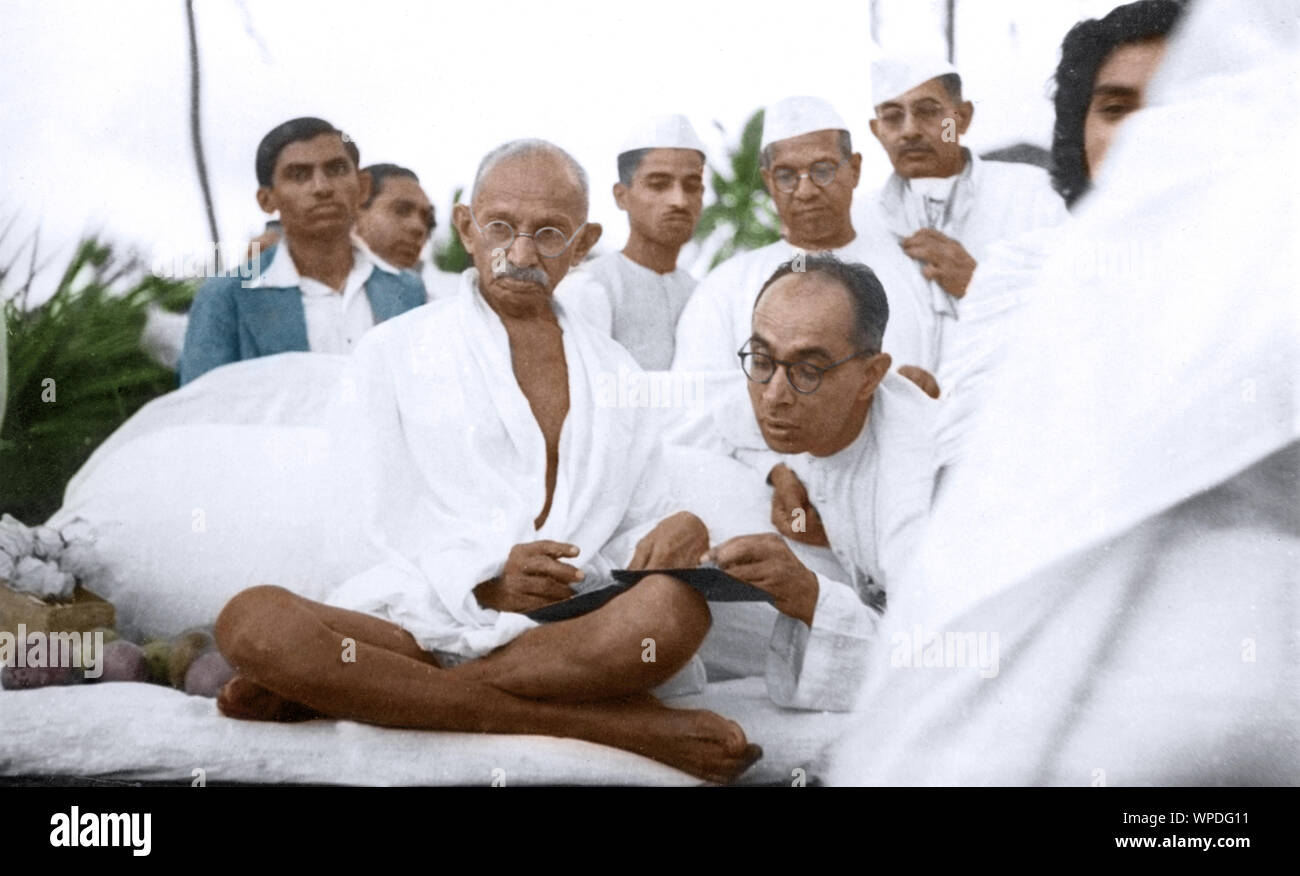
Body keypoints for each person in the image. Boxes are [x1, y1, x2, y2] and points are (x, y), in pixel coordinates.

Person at [829, 0, 1298, 785]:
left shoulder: (1275, 298)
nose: (1150, 133)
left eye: (1182, 107)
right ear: (1080, 132)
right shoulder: (1022, 278)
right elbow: (968, 484)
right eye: (1117, 108)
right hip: (1056, 626)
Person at [212, 139, 762, 784]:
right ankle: (604, 725)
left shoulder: (616, 371)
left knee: (675, 613)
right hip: (420, 622)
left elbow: (633, 522)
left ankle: (372, 690)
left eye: (550, 234)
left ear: (583, 243)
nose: (522, 253)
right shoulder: (392, 351)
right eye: (501, 227)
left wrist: (678, 528)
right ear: (468, 227)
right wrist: (482, 580)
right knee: (254, 621)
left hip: (563, 636)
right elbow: (360, 529)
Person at [688, 254, 935, 710]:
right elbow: (728, 423)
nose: (774, 396)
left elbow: (931, 662)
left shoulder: (915, 482)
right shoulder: (781, 393)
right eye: (762, 359)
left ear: (871, 376)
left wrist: (806, 593)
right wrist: (779, 472)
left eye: (807, 370)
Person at [671, 96, 931, 392]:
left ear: (855, 169)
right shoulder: (725, 289)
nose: (805, 191)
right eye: (786, 176)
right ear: (768, 181)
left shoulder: (913, 268)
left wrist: (930, 388)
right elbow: (695, 408)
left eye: (822, 170)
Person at [860, 54, 1069, 377]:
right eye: (892, 117)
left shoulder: (1035, 196)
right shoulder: (859, 220)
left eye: (928, 112)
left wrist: (981, 285)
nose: (910, 130)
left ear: (962, 118)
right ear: (876, 131)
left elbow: (1079, 313)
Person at [178, 118, 425, 386]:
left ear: (362, 186)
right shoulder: (227, 297)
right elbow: (201, 412)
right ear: (267, 200)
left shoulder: (407, 290)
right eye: (299, 175)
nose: (322, 188)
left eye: (337, 169)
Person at [556, 114, 706, 369]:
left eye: (691, 186)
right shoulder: (590, 288)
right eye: (659, 185)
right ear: (621, 196)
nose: (679, 201)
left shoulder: (702, 295)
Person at [354, 162, 462, 301]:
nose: (419, 227)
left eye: (426, 218)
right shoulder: (322, 293)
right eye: (401, 210)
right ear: (356, 211)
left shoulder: (455, 295)